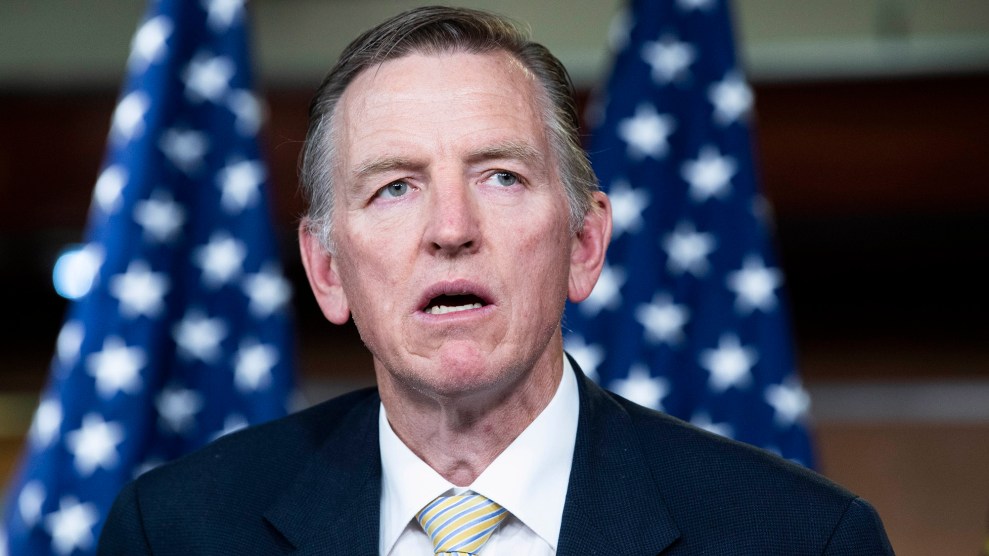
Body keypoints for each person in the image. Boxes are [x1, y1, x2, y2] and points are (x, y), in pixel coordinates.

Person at [99, 6, 894, 555]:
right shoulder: (175, 532)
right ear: (327, 270)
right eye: (394, 187)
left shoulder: (799, 540)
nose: (451, 228)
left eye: (501, 177)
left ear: (583, 243)